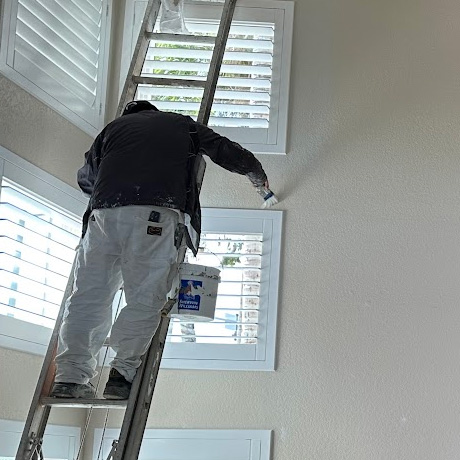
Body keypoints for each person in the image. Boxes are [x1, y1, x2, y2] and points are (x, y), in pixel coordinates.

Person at [50, 100, 269, 400]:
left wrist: (117, 186)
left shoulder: (112, 129)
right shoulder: (181, 124)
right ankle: (120, 375)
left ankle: (70, 378)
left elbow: (86, 178)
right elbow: (224, 150)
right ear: (154, 112)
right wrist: (257, 175)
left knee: (88, 296)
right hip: (155, 214)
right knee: (145, 296)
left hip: (104, 214)